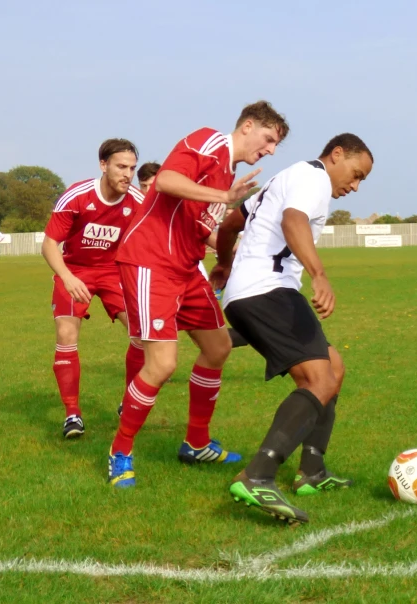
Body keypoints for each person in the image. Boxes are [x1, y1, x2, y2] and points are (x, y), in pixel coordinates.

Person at [107, 101, 289, 488]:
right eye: (269, 139)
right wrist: (223, 198)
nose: (271, 149)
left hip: (186, 269)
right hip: (150, 263)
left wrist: (230, 255)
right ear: (248, 126)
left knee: (219, 347)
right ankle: (120, 451)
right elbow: (167, 180)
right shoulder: (208, 141)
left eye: (276, 145)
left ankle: (196, 442)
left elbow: (198, 226)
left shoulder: (228, 171)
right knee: (162, 364)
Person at [212, 133, 373, 524]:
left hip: (249, 291)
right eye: (355, 174)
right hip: (268, 291)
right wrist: (318, 274)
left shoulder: (285, 178)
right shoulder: (312, 177)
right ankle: (258, 476)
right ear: (337, 154)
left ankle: (312, 472)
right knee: (319, 381)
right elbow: (293, 220)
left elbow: (232, 223)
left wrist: (225, 264)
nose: (353, 186)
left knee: (333, 369)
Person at [42, 139, 144, 438]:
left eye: (132, 168)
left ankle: (130, 400)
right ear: (103, 165)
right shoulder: (77, 195)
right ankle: (72, 414)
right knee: (66, 333)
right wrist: (67, 278)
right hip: (74, 270)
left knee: (141, 334)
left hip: (115, 272)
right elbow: (49, 244)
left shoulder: (136, 200)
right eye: (121, 167)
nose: (128, 174)